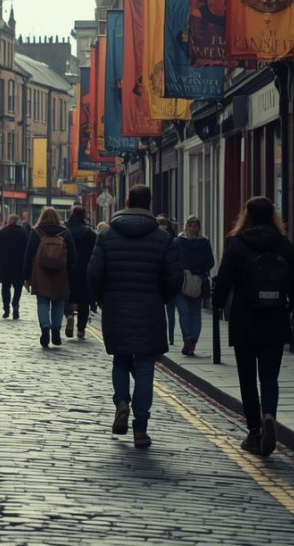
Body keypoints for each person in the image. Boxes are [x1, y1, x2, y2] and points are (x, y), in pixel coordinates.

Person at [213, 196, 294, 457]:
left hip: (244, 320)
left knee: (247, 378)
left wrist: (218, 304)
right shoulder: (283, 245)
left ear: (247, 215)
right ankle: (269, 416)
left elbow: (223, 283)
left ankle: (254, 432)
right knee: (269, 376)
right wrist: (288, 306)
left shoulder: (237, 245)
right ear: (272, 215)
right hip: (275, 320)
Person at [88, 185, 182, 448]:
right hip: (149, 310)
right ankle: (140, 428)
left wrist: (101, 298)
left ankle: (121, 402)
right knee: (144, 368)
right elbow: (175, 276)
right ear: (150, 204)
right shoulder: (163, 238)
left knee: (120, 359)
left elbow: (94, 272)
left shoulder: (107, 235)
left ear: (127, 201)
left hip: (116, 308)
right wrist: (161, 297)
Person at [23, 207, 77, 348]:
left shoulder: (36, 232)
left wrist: (27, 277)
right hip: (60, 272)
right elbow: (72, 256)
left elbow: (28, 256)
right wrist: (68, 267)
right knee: (58, 302)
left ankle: (45, 326)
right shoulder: (65, 233)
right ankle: (56, 331)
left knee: (42, 301)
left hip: (40, 273)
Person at [176, 215, 215, 356]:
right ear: (186, 226)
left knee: (187, 314)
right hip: (196, 282)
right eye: (191, 225)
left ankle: (188, 340)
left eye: (195, 225)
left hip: (182, 282)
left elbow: (172, 260)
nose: (193, 227)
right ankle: (190, 341)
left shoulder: (178, 242)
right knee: (192, 314)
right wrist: (198, 271)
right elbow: (210, 262)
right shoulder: (204, 242)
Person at [64, 205, 96, 339]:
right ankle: (81, 329)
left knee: (65, 297)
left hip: (67, 269)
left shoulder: (65, 231)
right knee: (84, 301)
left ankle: (69, 315)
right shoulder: (90, 234)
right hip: (84, 270)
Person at [0, 214, 29, 319]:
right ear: (18, 221)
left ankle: (6, 308)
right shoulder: (23, 232)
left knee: (5, 287)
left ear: (9, 221)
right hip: (19, 264)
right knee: (18, 287)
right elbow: (28, 249)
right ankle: (15, 305)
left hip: (5, 264)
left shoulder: (2, 232)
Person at [156, 213, 178, 346]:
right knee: (169, 312)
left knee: (165, 312)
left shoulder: (170, 240)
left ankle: (168, 336)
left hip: (162, 280)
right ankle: (170, 337)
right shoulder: (173, 239)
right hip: (167, 280)